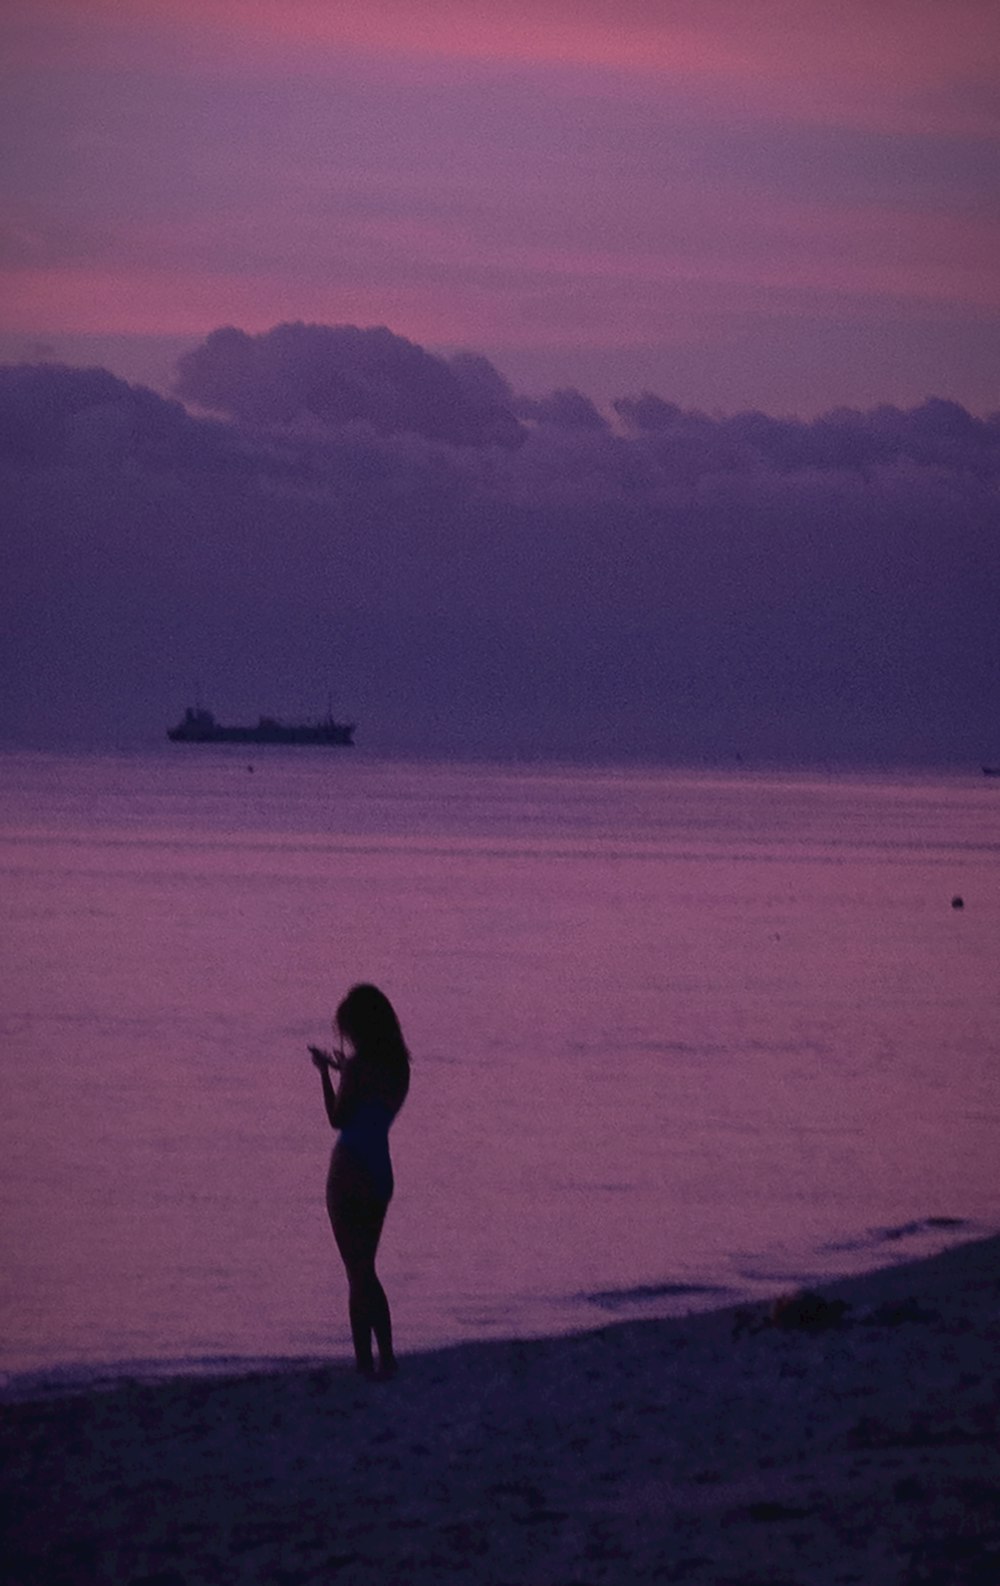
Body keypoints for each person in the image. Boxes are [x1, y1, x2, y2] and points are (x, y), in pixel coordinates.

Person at [309, 983, 410, 1380]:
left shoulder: (357, 1067)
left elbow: (338, 1116)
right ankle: (386, 1356)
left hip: (349, 1167)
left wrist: (325, 1075)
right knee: (367, 1266)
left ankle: (364, 1362)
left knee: (356, 1271)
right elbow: (371, 1100)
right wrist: (343, 1068)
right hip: (380, 1167)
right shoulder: (398, 1067)